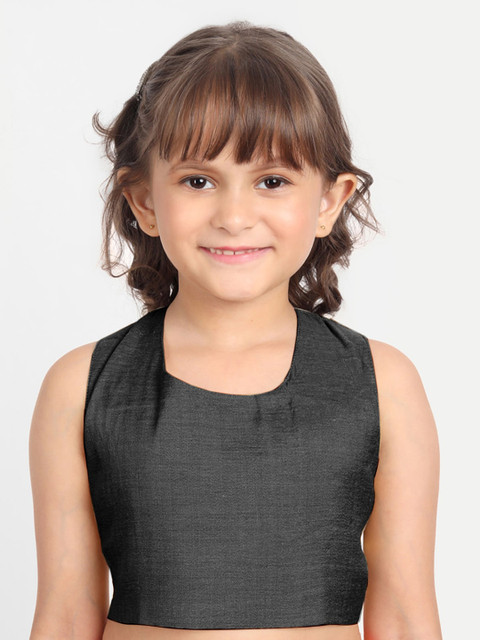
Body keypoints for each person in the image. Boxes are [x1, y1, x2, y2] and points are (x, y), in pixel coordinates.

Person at [28, 20, 443, 640]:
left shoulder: (384, 384)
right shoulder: (81, 387)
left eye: (272, 181)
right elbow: (65, 615)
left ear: (330, 200)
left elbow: (406, 618)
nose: (234, 215)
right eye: (198, 181)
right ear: (144, 200)